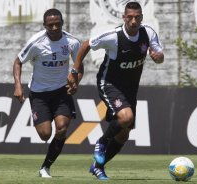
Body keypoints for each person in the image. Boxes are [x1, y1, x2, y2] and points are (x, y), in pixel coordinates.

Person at [68, 1, 164, 180]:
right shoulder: (113, 36)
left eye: (137, 17)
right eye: (130, 17)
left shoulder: (148, 33)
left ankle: (98, 166)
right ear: (124, 17)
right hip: (109, 83)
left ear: (141, 17)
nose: (133, 21)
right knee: (126, 117)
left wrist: (158, 57)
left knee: (124, 134)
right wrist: (74, 71)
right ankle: (102, 142)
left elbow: (159, 56)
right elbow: (86, 45)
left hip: (130, 89)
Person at [13, 8, 83, 178]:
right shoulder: (36, 42)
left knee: (61, 129)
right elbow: (18, 61)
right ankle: (44, 119)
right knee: (45, 134)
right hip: (39, 94)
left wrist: (75, 82)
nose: (54, 28)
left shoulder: (72, 42)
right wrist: (18, 85)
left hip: (61, 92)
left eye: (57, 24)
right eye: (50, 25)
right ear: (44, 25)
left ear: (62, 24)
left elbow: (78, 66)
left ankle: (45, 167)